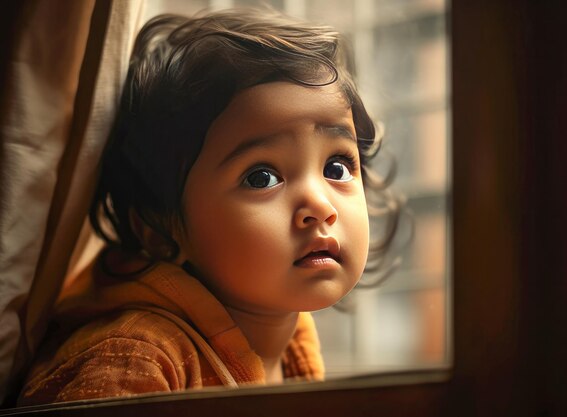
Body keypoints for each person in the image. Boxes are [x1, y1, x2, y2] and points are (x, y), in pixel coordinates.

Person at [18, 7, 400, 405]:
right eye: (262, 177)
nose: (320, 205)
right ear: (161, 227)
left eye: (337, 166)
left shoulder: (289, 334)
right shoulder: (133, 362)